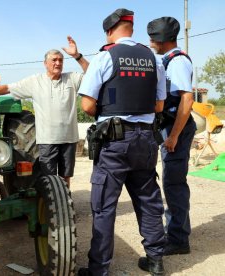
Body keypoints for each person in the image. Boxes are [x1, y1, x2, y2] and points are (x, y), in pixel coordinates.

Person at [77, 8, 167, 276]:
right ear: (131, 28)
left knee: (104, 206)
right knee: (148, 200)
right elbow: (160, 103)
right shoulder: (154, 58)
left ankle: (99, 270)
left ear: (109, 30)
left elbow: (87, 105)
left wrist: (110, 108)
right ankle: (155, 260)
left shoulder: (105, 56)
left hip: (115, 141)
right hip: (147, 139)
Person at [0, 36, 89, 187]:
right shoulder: (35, 81)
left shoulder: (71, 79)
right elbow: (9, 88)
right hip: (47, 140)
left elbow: (93, 74)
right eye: (54, 60)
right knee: (47, 178)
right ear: (45, 63)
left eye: (61, 60)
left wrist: (77, 56)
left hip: (69, 139)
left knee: (65, 177)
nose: (58, 63)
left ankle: (65, 204)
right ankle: (48, 206)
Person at [147, 17, 196, 256]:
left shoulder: (177, 62)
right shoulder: (166, 60)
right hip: (170, 126)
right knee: (171, 181)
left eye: (153, 37)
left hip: (178, 128)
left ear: (162, 39)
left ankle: (178, 240)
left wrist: (174, 136)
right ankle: (176, 232)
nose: (150, 41)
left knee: (174, 183)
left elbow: (187, 99)